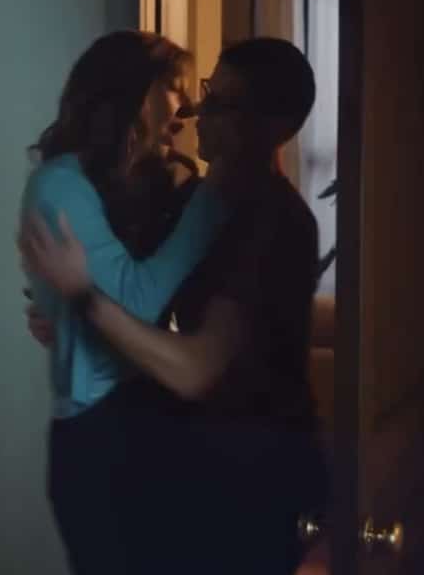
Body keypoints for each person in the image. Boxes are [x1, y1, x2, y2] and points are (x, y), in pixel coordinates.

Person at [21, 37, 329, 575]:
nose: (197, 112)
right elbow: (138, 286)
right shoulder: (195, 199)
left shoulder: (273, 223)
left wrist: (85, 301)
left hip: (260, 473)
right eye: (207, 92)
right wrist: (63, 313)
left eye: (221, 103)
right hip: (198, 460)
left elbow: (194, 370)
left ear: (274, 126)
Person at [19, 30, 237, 575]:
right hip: (99, 437)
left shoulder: (139, 181)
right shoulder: (60, 185)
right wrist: (212, 199)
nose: (183, 106)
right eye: (172, 87)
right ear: (135, 94)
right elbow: (136, 302)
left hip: (145, 414)